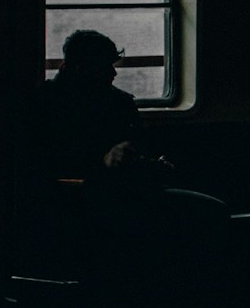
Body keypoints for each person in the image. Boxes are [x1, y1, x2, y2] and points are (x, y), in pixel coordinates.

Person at [25, 29, 172, 193]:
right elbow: (50, 161)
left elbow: (142, 144)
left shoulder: (120, 102)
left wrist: (152, 163)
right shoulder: (44, 104)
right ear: (79, 68)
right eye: (104, 67)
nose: (113, 73)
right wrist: (104, 160)